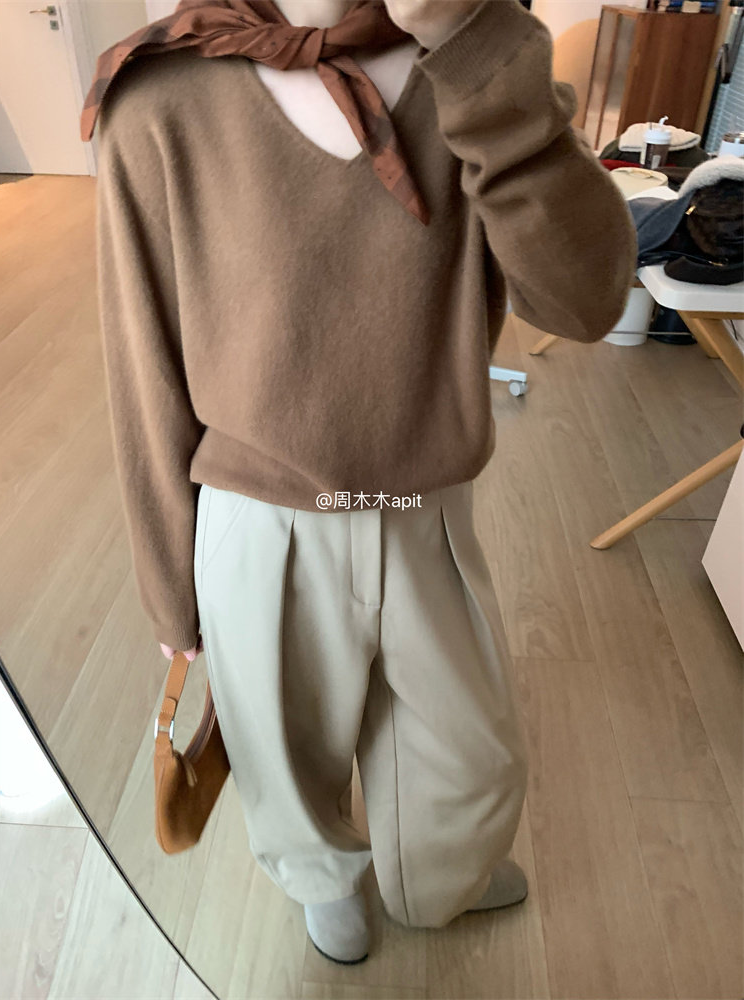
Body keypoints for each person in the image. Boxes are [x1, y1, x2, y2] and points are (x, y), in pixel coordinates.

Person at [87, 0, 638, 965]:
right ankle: (323, 880)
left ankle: (437, 876)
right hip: (257, 517)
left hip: (423, 507)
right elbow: (144, 369)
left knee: (467, 756)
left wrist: (474, 52)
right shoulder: (162, 96)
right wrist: (170, 583)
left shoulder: (474, 62)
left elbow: (587, 303)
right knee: (281, 748)